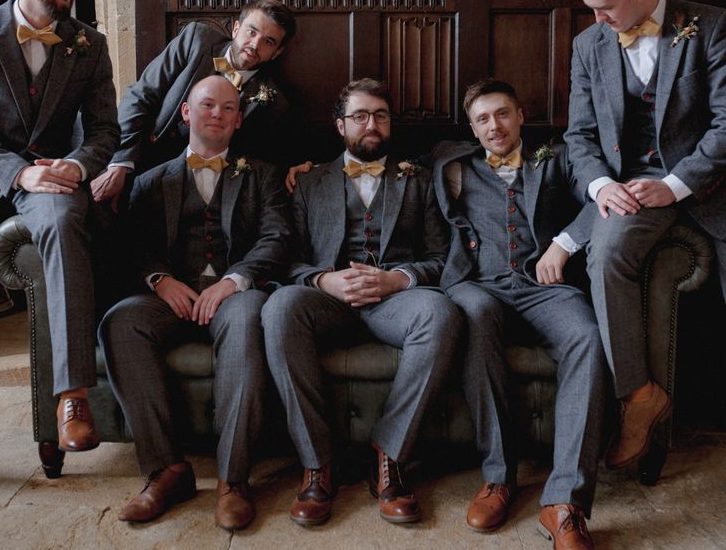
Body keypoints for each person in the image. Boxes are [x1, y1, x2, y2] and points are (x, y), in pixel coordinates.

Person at [261, 78, 462, 527]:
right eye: (360, 116)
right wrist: (324, 280)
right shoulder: (309, 181)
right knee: (279, 308)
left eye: (381, 116)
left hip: (394, 303)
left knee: (441, 313)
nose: (371, 124)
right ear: (340, 125)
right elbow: (285, 261)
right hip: (327, 302)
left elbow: (439, 258)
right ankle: (318, 464)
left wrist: (396, 279)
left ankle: (389, 456)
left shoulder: (419, 180)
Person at [99, 74, 292, 529]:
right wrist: (159, 279)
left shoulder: (262, 174)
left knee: (247, 320)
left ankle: (233, 478)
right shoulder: (150, 181)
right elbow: (132, 246)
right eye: (208, 106)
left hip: (234, 297)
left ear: (239, 119)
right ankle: (166, 469)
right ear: (187, 113)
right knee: (120, 322)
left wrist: (234, 280)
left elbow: (277, 237)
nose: (218, 115)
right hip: (172, 296)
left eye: (228, 109)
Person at [566, 0, 726, 472]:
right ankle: (638, 396)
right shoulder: (589, 45)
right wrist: (600, 187)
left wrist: (677, 183)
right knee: (605, 254)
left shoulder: (714, 26)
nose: (597, 21)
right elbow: (579, 138)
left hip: (709, 185)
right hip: (628, 189)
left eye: (605, 8)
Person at [0, 0, 119, 451]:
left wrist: (76, 166)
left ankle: (72, 395)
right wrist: (16, 172)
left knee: (65, 221)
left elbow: (104, 132)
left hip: (54, 176)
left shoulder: (89, 45)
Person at [434, 79, 603, 550]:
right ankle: (498, 477)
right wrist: (304, 170)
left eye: (502, 114)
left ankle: (564, 501)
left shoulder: (558, 157)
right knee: (476, 313)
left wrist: (563, 245)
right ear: (472, 127)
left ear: (521, 114)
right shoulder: (451, 162)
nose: (495, 126)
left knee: (587, 337)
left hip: (543, 285)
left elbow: (601, 198)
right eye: (483, 119)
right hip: (480, 285)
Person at [91, 0, 300, 211]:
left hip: (202, 189)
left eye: (268, 42)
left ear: (277, 52)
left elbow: (271, 159)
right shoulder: (195, 40)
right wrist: (121, 163)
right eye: (251, 32)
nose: (255, 45)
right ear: (236, 28)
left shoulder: (274, 102)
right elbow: (140, 96)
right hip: (142, 160)